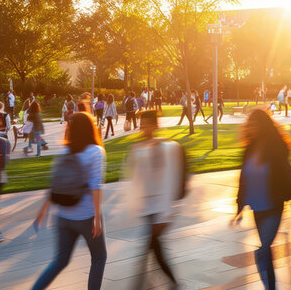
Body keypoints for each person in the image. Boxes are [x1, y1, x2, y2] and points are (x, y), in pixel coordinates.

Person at [33, 112, 107, 290]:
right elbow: (95, 186)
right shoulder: (96, 152)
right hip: (86, 217)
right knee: (99, 258)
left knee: (60, 260)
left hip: (63, 217)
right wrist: (97, 218)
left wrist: (43, 209)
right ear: (91, 128)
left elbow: (55, 182)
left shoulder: (64, 150)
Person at [233, 109, 291, 289]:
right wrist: (239, 207)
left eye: (255, 124)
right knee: (266, 251)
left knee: (263, 249)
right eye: (250, 124)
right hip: (257, 208)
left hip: (273, 205)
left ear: (263, 125)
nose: (251, 127)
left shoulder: (275, 147)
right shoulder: (249, 148)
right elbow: (244, 178)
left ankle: (269, 285)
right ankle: (270, 286)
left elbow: (287, 174)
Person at [124, 110, 184, 289]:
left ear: (156, 126)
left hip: (161, 208)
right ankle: (168, 283)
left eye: (148, 125)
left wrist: (168, 212)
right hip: (148, 207)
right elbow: (134, 178)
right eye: (142, 125)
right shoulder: (139, 148)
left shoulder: (167, 148)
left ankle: (168, 283)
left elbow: (171, 180)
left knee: (153, 247)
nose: (144, 129)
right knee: (153, 247)